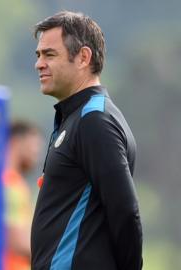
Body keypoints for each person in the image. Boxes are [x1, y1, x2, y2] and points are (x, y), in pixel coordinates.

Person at [30, 11, 143, 270]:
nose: (39, 64)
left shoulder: (95, 121)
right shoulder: (76, 117)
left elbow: (126, 212)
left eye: (49, 54)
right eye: (38, 55)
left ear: (83, 57)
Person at [2, 120, 42, 270]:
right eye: (34, 146)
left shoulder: (1, 180)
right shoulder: (10, 183)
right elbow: (18, 241)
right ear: (17, 142)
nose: (36, 155)